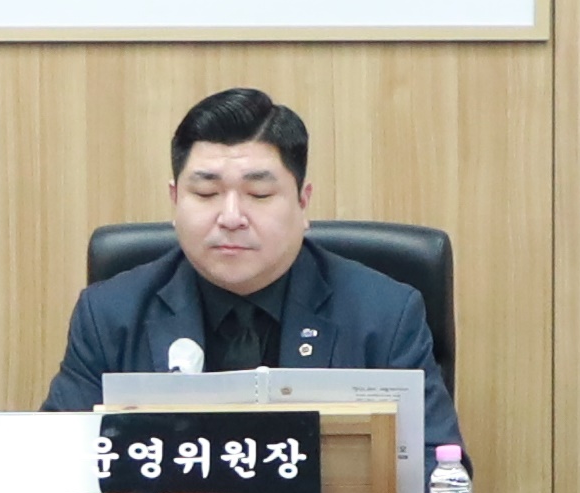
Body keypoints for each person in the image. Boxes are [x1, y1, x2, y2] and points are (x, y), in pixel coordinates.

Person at [43, 86, 462, 472]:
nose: (230, 217)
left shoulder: (384, 315)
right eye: (206, 194)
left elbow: (437, 475)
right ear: (174, 200)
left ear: (303, 202)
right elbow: (54, 471)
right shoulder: (109, 315)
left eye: (259, 195)